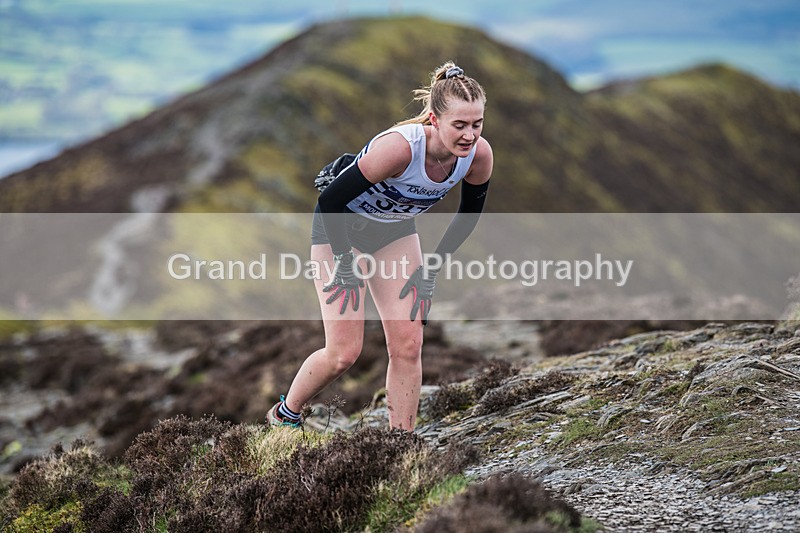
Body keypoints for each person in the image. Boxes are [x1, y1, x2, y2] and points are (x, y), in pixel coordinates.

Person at [266, 61, 493, 431]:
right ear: (435, 120)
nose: (469, 135)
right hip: (341, 230)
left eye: (477, 124)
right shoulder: (400, 150)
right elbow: (330, 203)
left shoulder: (478, 157)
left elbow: (467, 218)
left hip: (394, 232)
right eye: (460, 125)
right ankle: (286, 414)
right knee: (344, 353)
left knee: (408, 345)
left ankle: (398, 442)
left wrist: (430, 271)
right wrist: (343, 263)